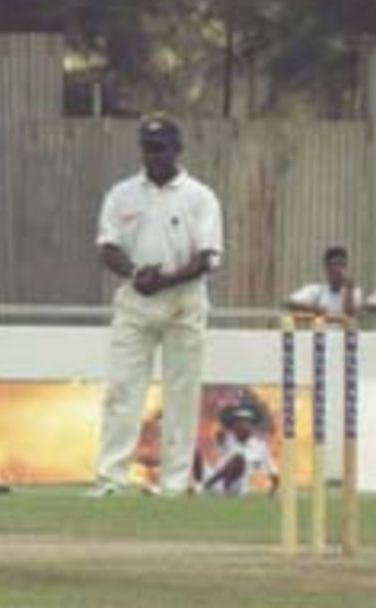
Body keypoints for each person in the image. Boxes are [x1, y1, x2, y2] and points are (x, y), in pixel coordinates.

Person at [89, 116, 224, 497]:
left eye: (161, 148)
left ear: (177, 150)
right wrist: (135, 274)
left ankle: (174, 482)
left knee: (181, 394)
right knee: (122, 390)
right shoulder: (122, 194)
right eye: (147, 149)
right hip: (136, 301)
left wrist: (164, 280)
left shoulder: (200, 196)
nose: (153, 156)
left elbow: (208, 256)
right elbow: (107, 247)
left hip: (184, 302)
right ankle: (111, 479)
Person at [201, 402, 279, 497]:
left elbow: (272, 471)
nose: (240, 425)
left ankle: (214, 487)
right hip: (215, 480)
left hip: (236, 487)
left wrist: (272, 493)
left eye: (245, 422)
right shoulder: (226, 438)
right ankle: (205, 487)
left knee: (239, 458)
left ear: (251, 426)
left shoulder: (260, 447)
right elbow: (219, 436)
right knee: (195, 456)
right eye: (238, 422)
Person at [288, 246, 361, 318]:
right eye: (334, 264)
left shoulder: (354, 291)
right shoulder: (316, 290)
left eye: (342, 264)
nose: (338, 268)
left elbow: (350, 316)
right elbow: (290, 303)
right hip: (321, 329)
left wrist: (349, 291)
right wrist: (315, 311)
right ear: (327, 268)